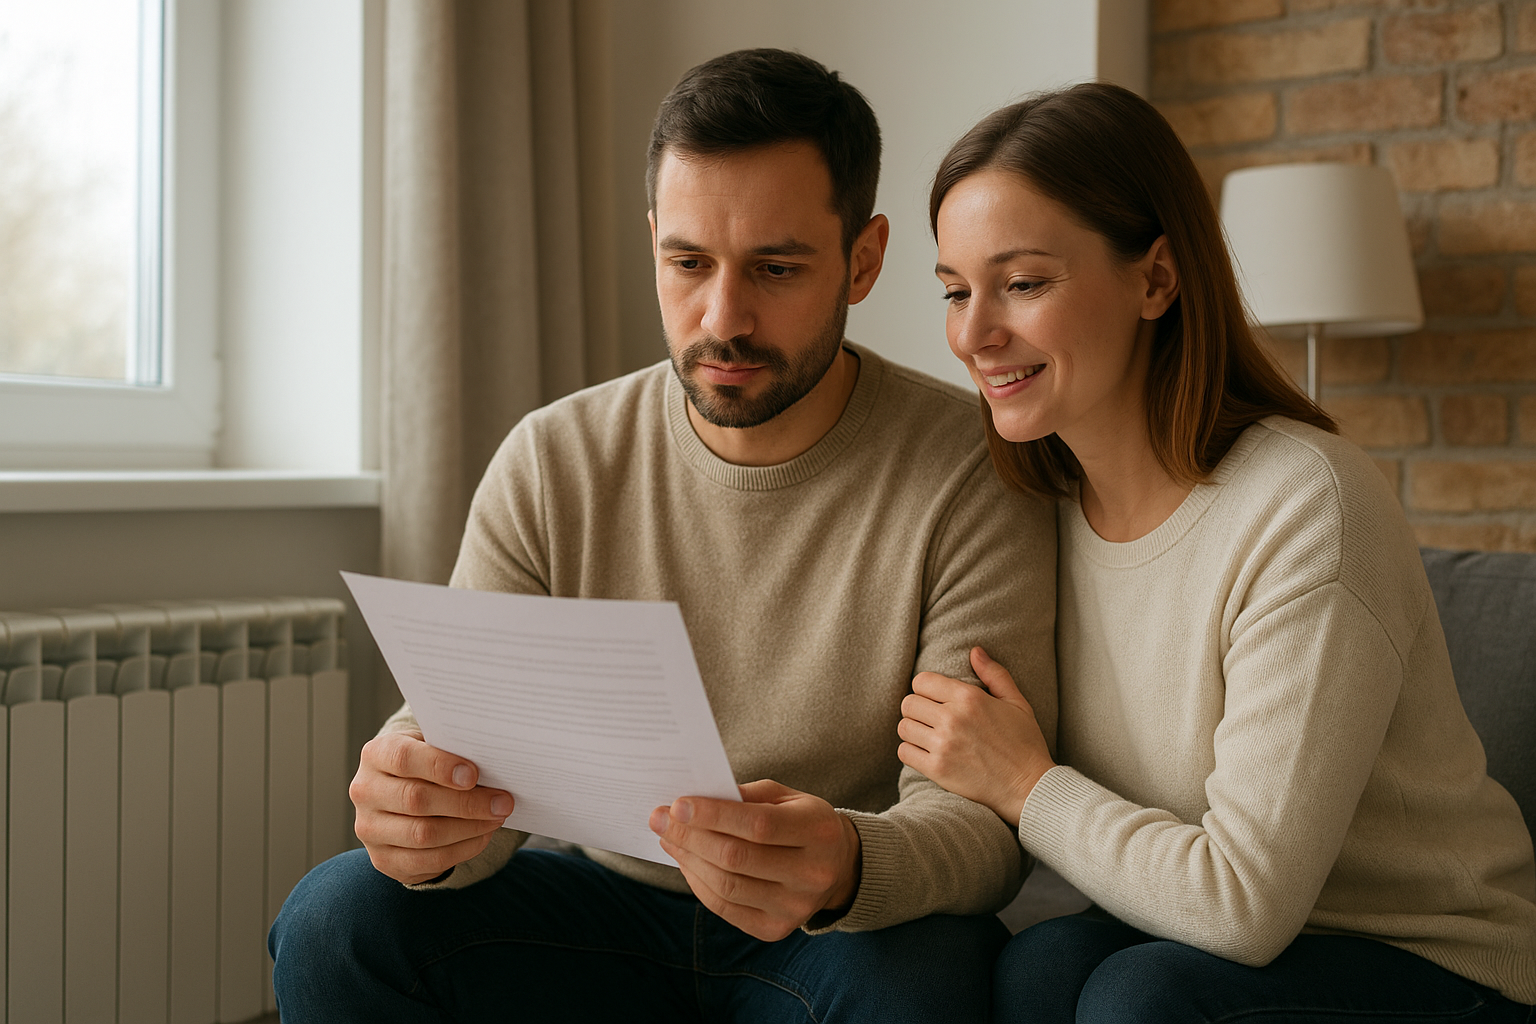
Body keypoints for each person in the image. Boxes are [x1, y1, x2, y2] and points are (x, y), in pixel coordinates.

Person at [269, 48, 1056, 1023]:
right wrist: (420, 805)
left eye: (775, 268)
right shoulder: (554, 459)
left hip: (836, 932)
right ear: (652, 241)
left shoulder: (973, 468)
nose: (722, 318)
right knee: (334, 917)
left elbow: (982, 823)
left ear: (863, 257)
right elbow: (464, 731)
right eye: (688, 263)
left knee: (931, 974)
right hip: (602, 909)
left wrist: (852, 864)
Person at [898, 82, 1536, 1023]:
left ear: (1157, 279)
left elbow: (1241, 905)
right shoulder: (1030, 512)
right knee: (1035, 968)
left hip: (1433, 959)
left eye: (1024, 283)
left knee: (1138, 996)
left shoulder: (1306, 504)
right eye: (955, 291)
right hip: (1222, 945)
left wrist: (1028, 787)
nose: (974, 333)